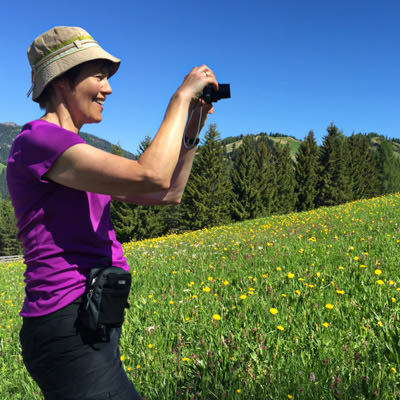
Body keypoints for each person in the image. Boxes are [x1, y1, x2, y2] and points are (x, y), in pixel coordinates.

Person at [6, 26, 218, 400]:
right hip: (67, 324)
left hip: (89, 318)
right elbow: (149, 173)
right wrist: (180, 98)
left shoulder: (71, 152)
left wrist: (193, 126)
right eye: (99, 76)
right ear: (59, 80)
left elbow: (167, 192)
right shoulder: (38, 141)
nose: (108, 89)